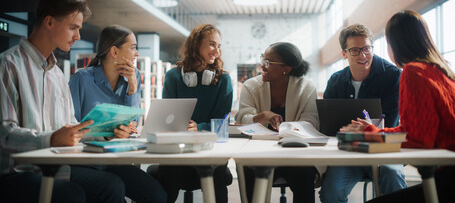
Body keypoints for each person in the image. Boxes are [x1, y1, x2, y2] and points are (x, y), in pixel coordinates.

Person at [0, 0, 124, 203]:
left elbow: (70, 125)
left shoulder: (57, 74)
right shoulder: (8, 65)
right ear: (49, 22)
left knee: (113, 186)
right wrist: (52, 139)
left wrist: (106, 133)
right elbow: (4, 135)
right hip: (16, 173)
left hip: (56, 168)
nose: (78, 36)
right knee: (73, 195)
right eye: (73, 28)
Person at [342, 10, 455, 203]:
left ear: (394, 43)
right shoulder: (443, 71)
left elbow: (418, 140)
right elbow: (421, 132)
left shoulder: (413, 72)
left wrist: (369, 132)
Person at [69, 25, 167, 203]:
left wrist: (133, 87)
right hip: (86, 162)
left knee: (157, 195)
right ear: (114, 51)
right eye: (133, 47)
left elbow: (133, 124)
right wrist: (104, 137)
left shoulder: (133, 76)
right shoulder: (82, 79)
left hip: (114, 161)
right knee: (115, 188)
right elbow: (68, 127)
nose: (136, 53)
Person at [319, 24, 407, 203]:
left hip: (382, 150)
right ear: (344, 53)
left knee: (393, 174)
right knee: (330, 192)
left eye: (367, 49)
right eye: (355, 50)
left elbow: (389, 122)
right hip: (348, 151)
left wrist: (360, 130)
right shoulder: (336, 81)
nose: (363, 55)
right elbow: (328, 126)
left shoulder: (392, 76)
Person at [149, 24, 233, 203]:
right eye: (212, 44)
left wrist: (199, 128)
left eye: (219, 46)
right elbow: (167, 117)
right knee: (170, 171)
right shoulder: (173, 76)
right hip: (178, 149)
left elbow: (221, 123)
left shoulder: (223, 80)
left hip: (210, 150)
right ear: (196, 45)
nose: (216, 51)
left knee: (216, 173)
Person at [235, 42, 319, 202]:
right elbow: (242, 120)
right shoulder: (250, 86)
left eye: (268, 62)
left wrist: (288, 129)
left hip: (294, 154)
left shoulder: (306, 87)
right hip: (259, 154)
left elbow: (311, 121)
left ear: (285, 69)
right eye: (263, 59)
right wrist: (263, 116)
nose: (262, 66)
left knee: (305, 172)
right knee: (249, 169)